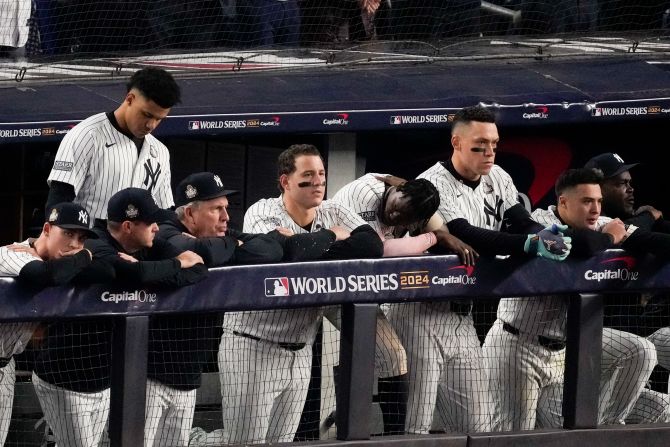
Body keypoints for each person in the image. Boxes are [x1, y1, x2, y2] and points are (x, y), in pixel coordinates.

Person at [386, 105, 571, 435]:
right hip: (419, 312)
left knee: (479, 426)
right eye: (479, 145)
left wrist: (539, 233)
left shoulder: (498, 176)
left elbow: (519, 219)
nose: (489, 152)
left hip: (463, 316)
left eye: (494, 144)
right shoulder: (432, 183)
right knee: (416, 424)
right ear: (456, 143)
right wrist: (527, 244)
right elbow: (463, 235)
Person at [218, 144, 384, 444]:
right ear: (285, 181)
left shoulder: (333, 208)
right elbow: (287, 255)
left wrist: (309, 246)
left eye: (321, 174)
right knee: (246, 442)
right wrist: (332, 235)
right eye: (308, 175)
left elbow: (371, 245)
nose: (318, 181)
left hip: (301, 349)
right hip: (253, 345)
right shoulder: (264, 211)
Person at [483, 167, 668, 431]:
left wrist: (629, 232)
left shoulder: (600, 224)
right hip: (517, 346)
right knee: (516, 435)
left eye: (599, 201)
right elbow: (579, 245)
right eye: (586, 201)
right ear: (563, 202)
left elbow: (656, 241)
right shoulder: (540, 222)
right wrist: (612, 237)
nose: (595, 209)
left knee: (639, 351)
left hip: (566, 351)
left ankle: (607, 427)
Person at [32, 188, 206, 447]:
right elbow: (125, 273)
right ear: (128, 226)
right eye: (150, 222)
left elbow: (199, 269)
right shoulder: (94, 243)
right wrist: (174, 265)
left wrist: (151, 268)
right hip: (64, 372)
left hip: (105, 378)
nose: (157, 228)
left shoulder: (150, 243)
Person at [329, 172, 477, 434]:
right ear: (398, 189)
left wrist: (439, 230)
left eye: (404, 218)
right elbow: (380, 249)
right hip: (331, 283)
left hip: (362, 292)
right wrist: (436, 237)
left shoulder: (406, 197)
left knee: (390, 356)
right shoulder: (364, 194)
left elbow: (433, 221)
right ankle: (345, 425)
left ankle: (391, 436)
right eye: (396, 207)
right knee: (382, 355)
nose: (394, 216)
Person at [0, 202, 105, 447]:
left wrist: (84, 256)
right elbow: (45, 276)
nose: (74, 244)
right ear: (47, 229)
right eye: (67, 233)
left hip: (6, 367)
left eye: (81, 238)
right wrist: (85, 255)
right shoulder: (11, 253)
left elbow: (107, 271)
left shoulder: (64, 264)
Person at [46, 67, 181, 223]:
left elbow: (164, 211)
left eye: (159, 119)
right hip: (89, 242)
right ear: (130, 99)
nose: (151, 125)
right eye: (147, 115)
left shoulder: (160, 151)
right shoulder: (86, 136)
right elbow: (57, 206)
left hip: (139, 245)